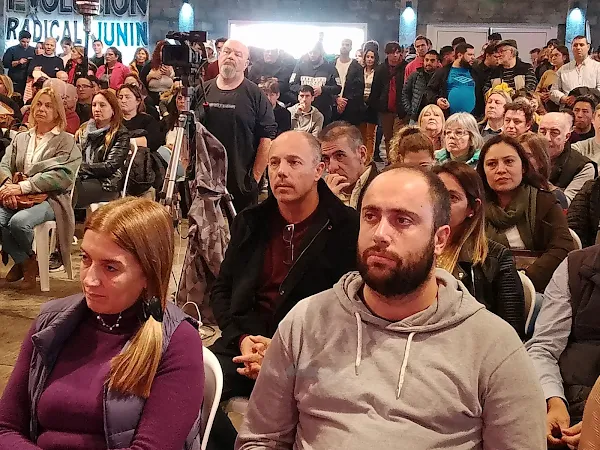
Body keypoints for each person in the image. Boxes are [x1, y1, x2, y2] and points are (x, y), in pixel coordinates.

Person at [236, 164, 547, 450]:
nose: (380, 234)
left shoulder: (492, 346)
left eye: (403, 220)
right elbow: (261, 439)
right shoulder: (306, 321)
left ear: (439, 239)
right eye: (370, 217)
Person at [0, 197, 205, 448]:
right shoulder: (52, 322)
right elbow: (6, 426)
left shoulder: (177, 341)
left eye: (110, 268)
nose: (90, 280)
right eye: (86, 259)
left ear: (148, 275)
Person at [209, 131, 359, 448]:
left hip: (312, 358)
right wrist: (242, 338)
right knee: (185, 383)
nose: (281, 172)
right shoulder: (250, 222)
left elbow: (351, 313)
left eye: (293, 162)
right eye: (274, 163)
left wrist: (280, 355)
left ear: (319, 170)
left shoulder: (347, 228)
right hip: (244, 347)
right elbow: (221, 291)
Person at [0, 87, 81, 289]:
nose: (41, 109)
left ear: (57, 112)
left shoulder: (66, 141)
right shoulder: (21, 137)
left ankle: (23, 262)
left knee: (19, 223)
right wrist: (8, 187)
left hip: (51, 198)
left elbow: (60, 176)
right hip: (16, 193)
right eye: (38, 104)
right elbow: (4, 165)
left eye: (48, 106)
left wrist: (22, 188)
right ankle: (27, 261)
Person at [432, 161, 525, 336]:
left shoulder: (496, 258)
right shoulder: (412, 249)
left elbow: (511, 333)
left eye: (452, 197)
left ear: (472, 208)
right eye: (435, 195)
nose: (440, 204)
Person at [524, 240, 600, 450]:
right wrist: (553, 400)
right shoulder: (575, 266)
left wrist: (595, 421)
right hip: (569, 402)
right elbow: (543, 348)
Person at [477, 134, 576, 292]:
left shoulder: (544, 201)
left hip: (539, 287)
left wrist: (522, 281)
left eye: (509, 161)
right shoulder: (475, 207)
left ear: (523, 167)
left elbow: (562, 248)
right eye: (492, 164)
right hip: (486, 287)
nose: (500, 170)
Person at [204, 39, 277, 213]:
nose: (230, 57)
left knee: (241, 229)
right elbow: (188, 131)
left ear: (246, 64)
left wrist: (254, 178)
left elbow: (266, 139)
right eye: (227, 51)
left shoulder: (256, 95)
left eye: (238, 54)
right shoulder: (203, 90)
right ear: (219, 56)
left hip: (241, 183)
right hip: (205, 182)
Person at [74, 89, 130, 208]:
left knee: (69, 192)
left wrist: (80, 168)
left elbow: (109, 167)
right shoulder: (84, 129)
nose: (97, 109)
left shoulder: (120, 133)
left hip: (107, 184)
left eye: (102, 105)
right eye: (94, 105)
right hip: (83, 178)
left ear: (113, 110)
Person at [539, 112, 597, 204]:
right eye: (542, 132)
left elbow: (566, 204)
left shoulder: (584, 167)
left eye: (554, 133)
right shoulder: (526, 157)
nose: (547, 138)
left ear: (567, 137)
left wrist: (536, 180)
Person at [320, 121, 378, 210]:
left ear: (362, 154)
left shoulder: (383, 188)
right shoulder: (323, 191)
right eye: (326, 159)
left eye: (340, 156)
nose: (331, 168)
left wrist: (331, 205)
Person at [369, 41, 408, 159]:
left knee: (399, 137)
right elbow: (375, 89)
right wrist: (377, 105)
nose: (395, 55)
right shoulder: (381, 69)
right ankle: (390, 161)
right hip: (385, 109)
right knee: (388, 137)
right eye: (392, 53)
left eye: (397, 52)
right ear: (387, 54)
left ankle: (398, 161)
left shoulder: (405, 67)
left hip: (401, 109)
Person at [427, 43, 485, 118]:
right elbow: (429, 91)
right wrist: (437, 100)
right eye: (470, 55)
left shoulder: (475, 72)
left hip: (472, 118)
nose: (473, 58)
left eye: (473, 55)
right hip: (449, 118)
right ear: (460, 55)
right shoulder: (443, 72)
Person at [289, 41, 341, 125]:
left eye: (315, 52)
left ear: (321, 52)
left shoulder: (330, 68)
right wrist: (305, 90)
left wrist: (322, 89)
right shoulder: (300, 66)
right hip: (303, 110)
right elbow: (291, 84)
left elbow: (338, 87)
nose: (312, 55)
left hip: (323, 110)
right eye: (310, 52)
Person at [519, 132, 569, 209]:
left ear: (541, 161)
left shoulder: (555, 196)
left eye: (527, 156)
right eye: (517, 155)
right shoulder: (507, 190)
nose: (520, 160)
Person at [551, 36, 600, 108]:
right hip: (568, 109)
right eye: (575, 45)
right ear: (571, 48)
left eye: (581, 45)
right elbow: (553, 90)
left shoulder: (598, 67)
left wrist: (584, 99)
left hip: (592, 108)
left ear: (588, 47)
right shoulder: (563, 69)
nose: (578, 48)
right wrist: (564, 98)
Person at [117, 83, 163, 152]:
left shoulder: (147, 120)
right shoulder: (113, 120)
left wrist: (127, 142)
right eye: (120, 97)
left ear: (138, 101)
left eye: (127, 97)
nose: (123, 101)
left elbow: (154, 141)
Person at [334, 39, 365, 126]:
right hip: (333, 105)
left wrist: (343, 103)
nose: (344, 46)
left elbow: (359, 89)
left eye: (347, 45)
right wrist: (336, 99)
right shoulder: (332, 64)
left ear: (351, 47)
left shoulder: (357, 67)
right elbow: (328, 84)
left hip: (350, 107)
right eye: (343, 44)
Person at [402, 50, 438, 123]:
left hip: (434, 116)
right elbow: (405, 93)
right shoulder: (415, 75)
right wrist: (410, 110)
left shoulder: (440, 77)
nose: (428, 63)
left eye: (432, 60)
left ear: (438, 62)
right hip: (415, 117)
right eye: (426, 60)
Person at [359, 44, 379, 163]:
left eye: (372, 57)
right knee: (361, 134)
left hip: (372, 106)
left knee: (370, 135)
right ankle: (361, 158)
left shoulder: (377, 72)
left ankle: (368, 159)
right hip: (360, 105)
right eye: (368, 57)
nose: (370, 59)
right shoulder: (359, 71)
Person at [536, 45, 569, 112]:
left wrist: (552, 95)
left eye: (556, 55)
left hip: (561, 107)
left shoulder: (568, 74)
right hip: (544, 106)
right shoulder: (548, 73)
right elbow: (537, 91)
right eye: (552, 56)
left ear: (564, 57)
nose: (553, 58)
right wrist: (542, 95)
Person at [2, 30, 35, 95]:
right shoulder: (11, 50)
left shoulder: (33, 50)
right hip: (15, 81)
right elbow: (5, 64)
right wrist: (18, 62)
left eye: (27, 42)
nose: (26, 44)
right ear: (19, 40)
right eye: (23, 42)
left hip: (29, 82)